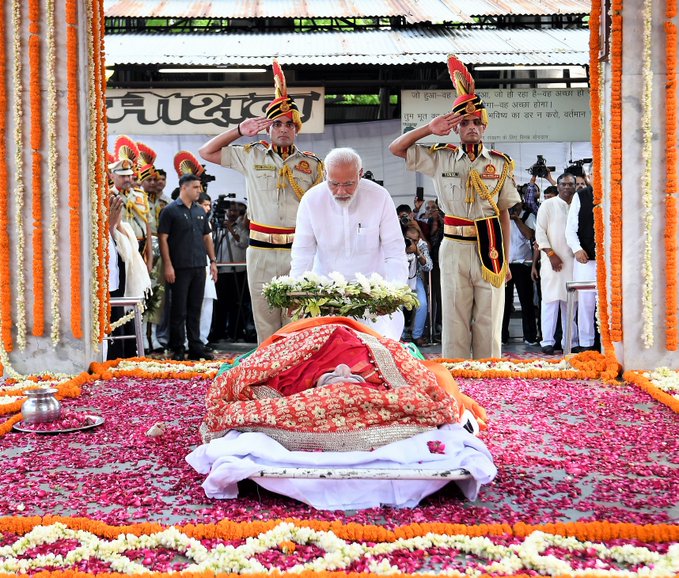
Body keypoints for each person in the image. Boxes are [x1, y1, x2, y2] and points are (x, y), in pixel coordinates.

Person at [187, 316, 496, 510]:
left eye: (346, 382)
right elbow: (434, 394)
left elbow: (239, 386)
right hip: (330, 335)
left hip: (315, 339)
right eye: (350, 382)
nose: (346, 376)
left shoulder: (286, 381)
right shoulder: (375, 369)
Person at [389, 55, 520, 359]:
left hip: (490, 246)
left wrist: (508, 259)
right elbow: (396, 148)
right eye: (464, 123)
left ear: (484, 127)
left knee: (489, 316)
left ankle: (490, 375)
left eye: (476, 122)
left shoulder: (500, 164)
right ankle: (457, 376)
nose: (471, 127)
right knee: (455, 316)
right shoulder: (440, 157)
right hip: (454, 245)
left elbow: (503, 213)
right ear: (456, 129)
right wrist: (428, 129)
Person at [198, 59, 324, 343]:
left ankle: (294, 377)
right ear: (268, 129)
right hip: (261, 251)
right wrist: (240, 130)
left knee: (296, 321)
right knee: (265, 320)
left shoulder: (313, 165)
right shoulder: (251, 154)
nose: (283, 129)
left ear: (297, 129)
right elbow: (206, 152)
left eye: (289, 124)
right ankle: (266, 378)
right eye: (276, 124)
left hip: (298, 252)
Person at [289, 147, 408, 340]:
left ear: (360, 174)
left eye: (349, 184)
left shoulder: (379, 196)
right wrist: (296, 292)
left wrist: (391, 295)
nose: (341, 191)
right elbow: (302, 253)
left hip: (373, 299)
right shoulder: (311, 200)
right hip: (325, 298)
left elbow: (394, 251)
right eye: (334, 183)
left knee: (376, 356)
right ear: (325, 174)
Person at [158, 173, 218, 361]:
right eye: (195, 187)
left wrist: (213, 261)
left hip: (199, 265)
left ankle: (195, 346)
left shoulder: (200, 211)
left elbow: (206, 237)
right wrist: (168, 265)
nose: (199, 191)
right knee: (178, 310)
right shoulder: (170, 210)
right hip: (179, 267)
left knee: (195, 308)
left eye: (199, 187)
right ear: (184, 187)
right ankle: (177, 347)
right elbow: (163, 239)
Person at [534, 172, 578, 354]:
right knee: (550, 301)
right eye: (563, 184)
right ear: (557, 186)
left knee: (571, 303)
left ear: (575, 186)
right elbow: (540, 233)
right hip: (552, 261)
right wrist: (551, 254)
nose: (567, 187)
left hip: (574, 262)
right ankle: (547, 341)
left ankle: (571, 342)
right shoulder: (548, 205)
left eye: (570, 184)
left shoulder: (578, 204)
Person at [566, 166, 598, 352]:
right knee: (586, 302)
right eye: (594, 174)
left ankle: (608, 344)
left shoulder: (615, 193)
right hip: (586, 259)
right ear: (588, 177)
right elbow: (570, 228)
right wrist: (577, 249)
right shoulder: (581, 196)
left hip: (610, 260)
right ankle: (586, 344)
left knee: (610, 302)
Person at [211, 197, 252, 343]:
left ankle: (237, 332)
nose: (232, 213)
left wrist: (231, 229)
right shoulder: (219, 226)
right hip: (222, 270)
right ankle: (219, 332)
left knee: (237, 303)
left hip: (238, 270)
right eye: (230, 209)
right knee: (221, 303)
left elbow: (243, 242)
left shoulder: (241, 226)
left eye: (235, 209)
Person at [111, 136, 153, 273]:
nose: (127, 179)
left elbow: (147, 226)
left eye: (129, 175)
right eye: (122, 176)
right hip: (121, 247)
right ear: (112, 176)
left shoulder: (140, 195)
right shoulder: (108, 197)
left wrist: (150, 258)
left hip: (140, 248)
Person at [502, 198, 538, 346]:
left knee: (526, 302)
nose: (512, 206)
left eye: (515, 203)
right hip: (506, 264)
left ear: (521, 203)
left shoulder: (528, 216)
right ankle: (502, 336)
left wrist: (517, 219)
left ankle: (529, 336)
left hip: (523, 264)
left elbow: (530, 235)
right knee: (504, 303)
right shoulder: (502, 215)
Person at [404, 225, 432, 346]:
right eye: (409, 239)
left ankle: (417, 335)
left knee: (422, 304)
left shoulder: (421, 245)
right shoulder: (397, 243)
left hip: (416, 278)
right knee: (397, 305)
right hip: (400, 278)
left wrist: (417, 252)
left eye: (415, 240)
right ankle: (398, 336)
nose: (412, 242)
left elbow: (429, 266)